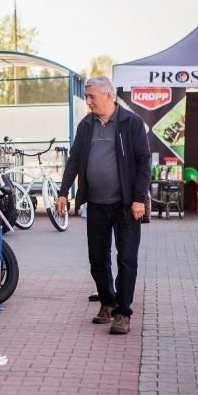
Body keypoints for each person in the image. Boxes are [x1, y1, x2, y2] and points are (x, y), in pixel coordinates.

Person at [56, 76, 151, 335]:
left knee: (127, 260)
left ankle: (123, 313)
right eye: (87, 97)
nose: (88, 102)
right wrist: (64, 192)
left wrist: (139, 198)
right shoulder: (86, 125)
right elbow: (74, 161)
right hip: (96, 204)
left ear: (108, 95)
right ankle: (107, 303)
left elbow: (144, 163)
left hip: (127, 206)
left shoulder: (132, 123)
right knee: (97, 259)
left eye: (91, 97)